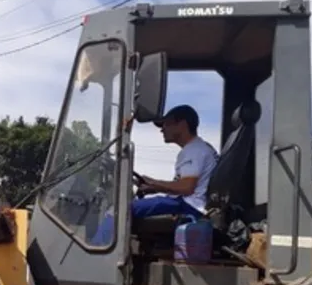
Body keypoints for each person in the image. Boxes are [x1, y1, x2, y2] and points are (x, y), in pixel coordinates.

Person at [91, 105, 218, 245]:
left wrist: (153, 182)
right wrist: (154, 188)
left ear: (182, 125)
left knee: (117, 210)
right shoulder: (200, 148)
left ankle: (97, 254)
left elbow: (187, 187)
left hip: (188, 207)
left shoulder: (194, 150)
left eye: (166, 124)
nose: (162, 129)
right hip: (187, 204)